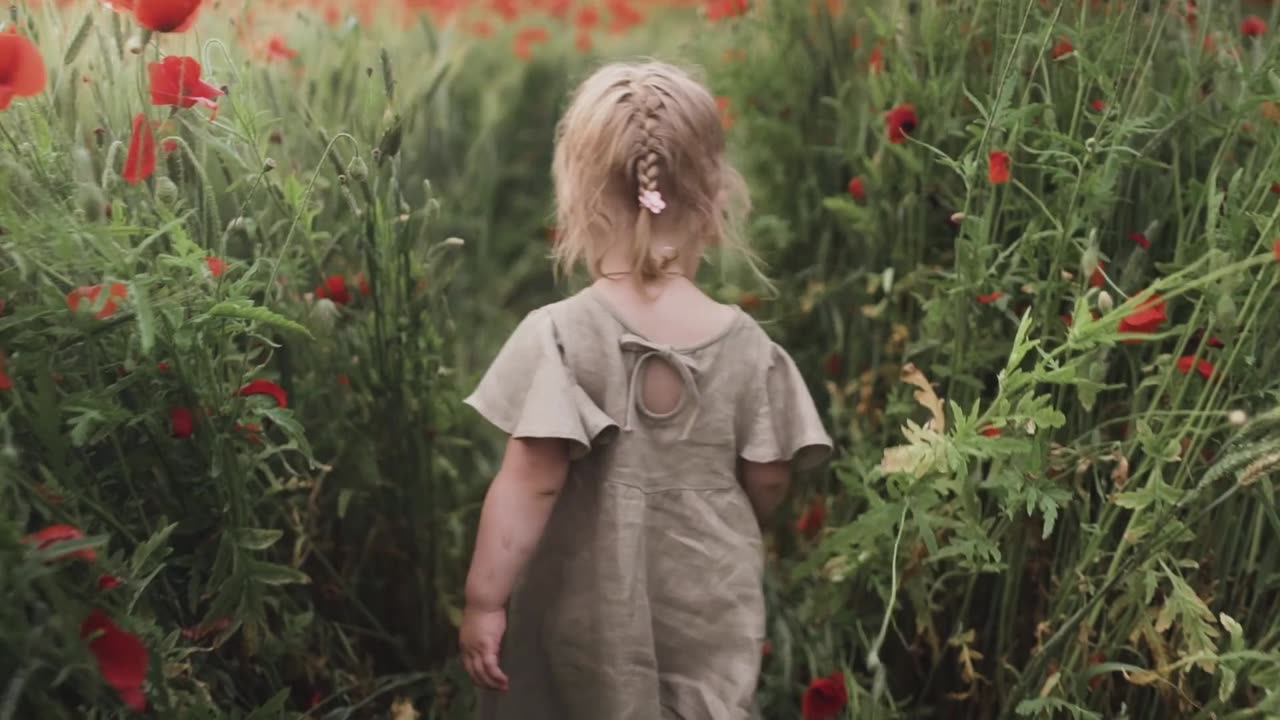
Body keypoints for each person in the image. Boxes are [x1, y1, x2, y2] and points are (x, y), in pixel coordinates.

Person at [458, 60, 832, 720]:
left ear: (579, 197)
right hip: (707, 595)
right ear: (715, 197)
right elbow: (770, 477)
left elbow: (531, 481)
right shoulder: (749, 348)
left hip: (585, 607)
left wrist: (486, 600)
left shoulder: (563, 337)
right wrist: (723, 510)